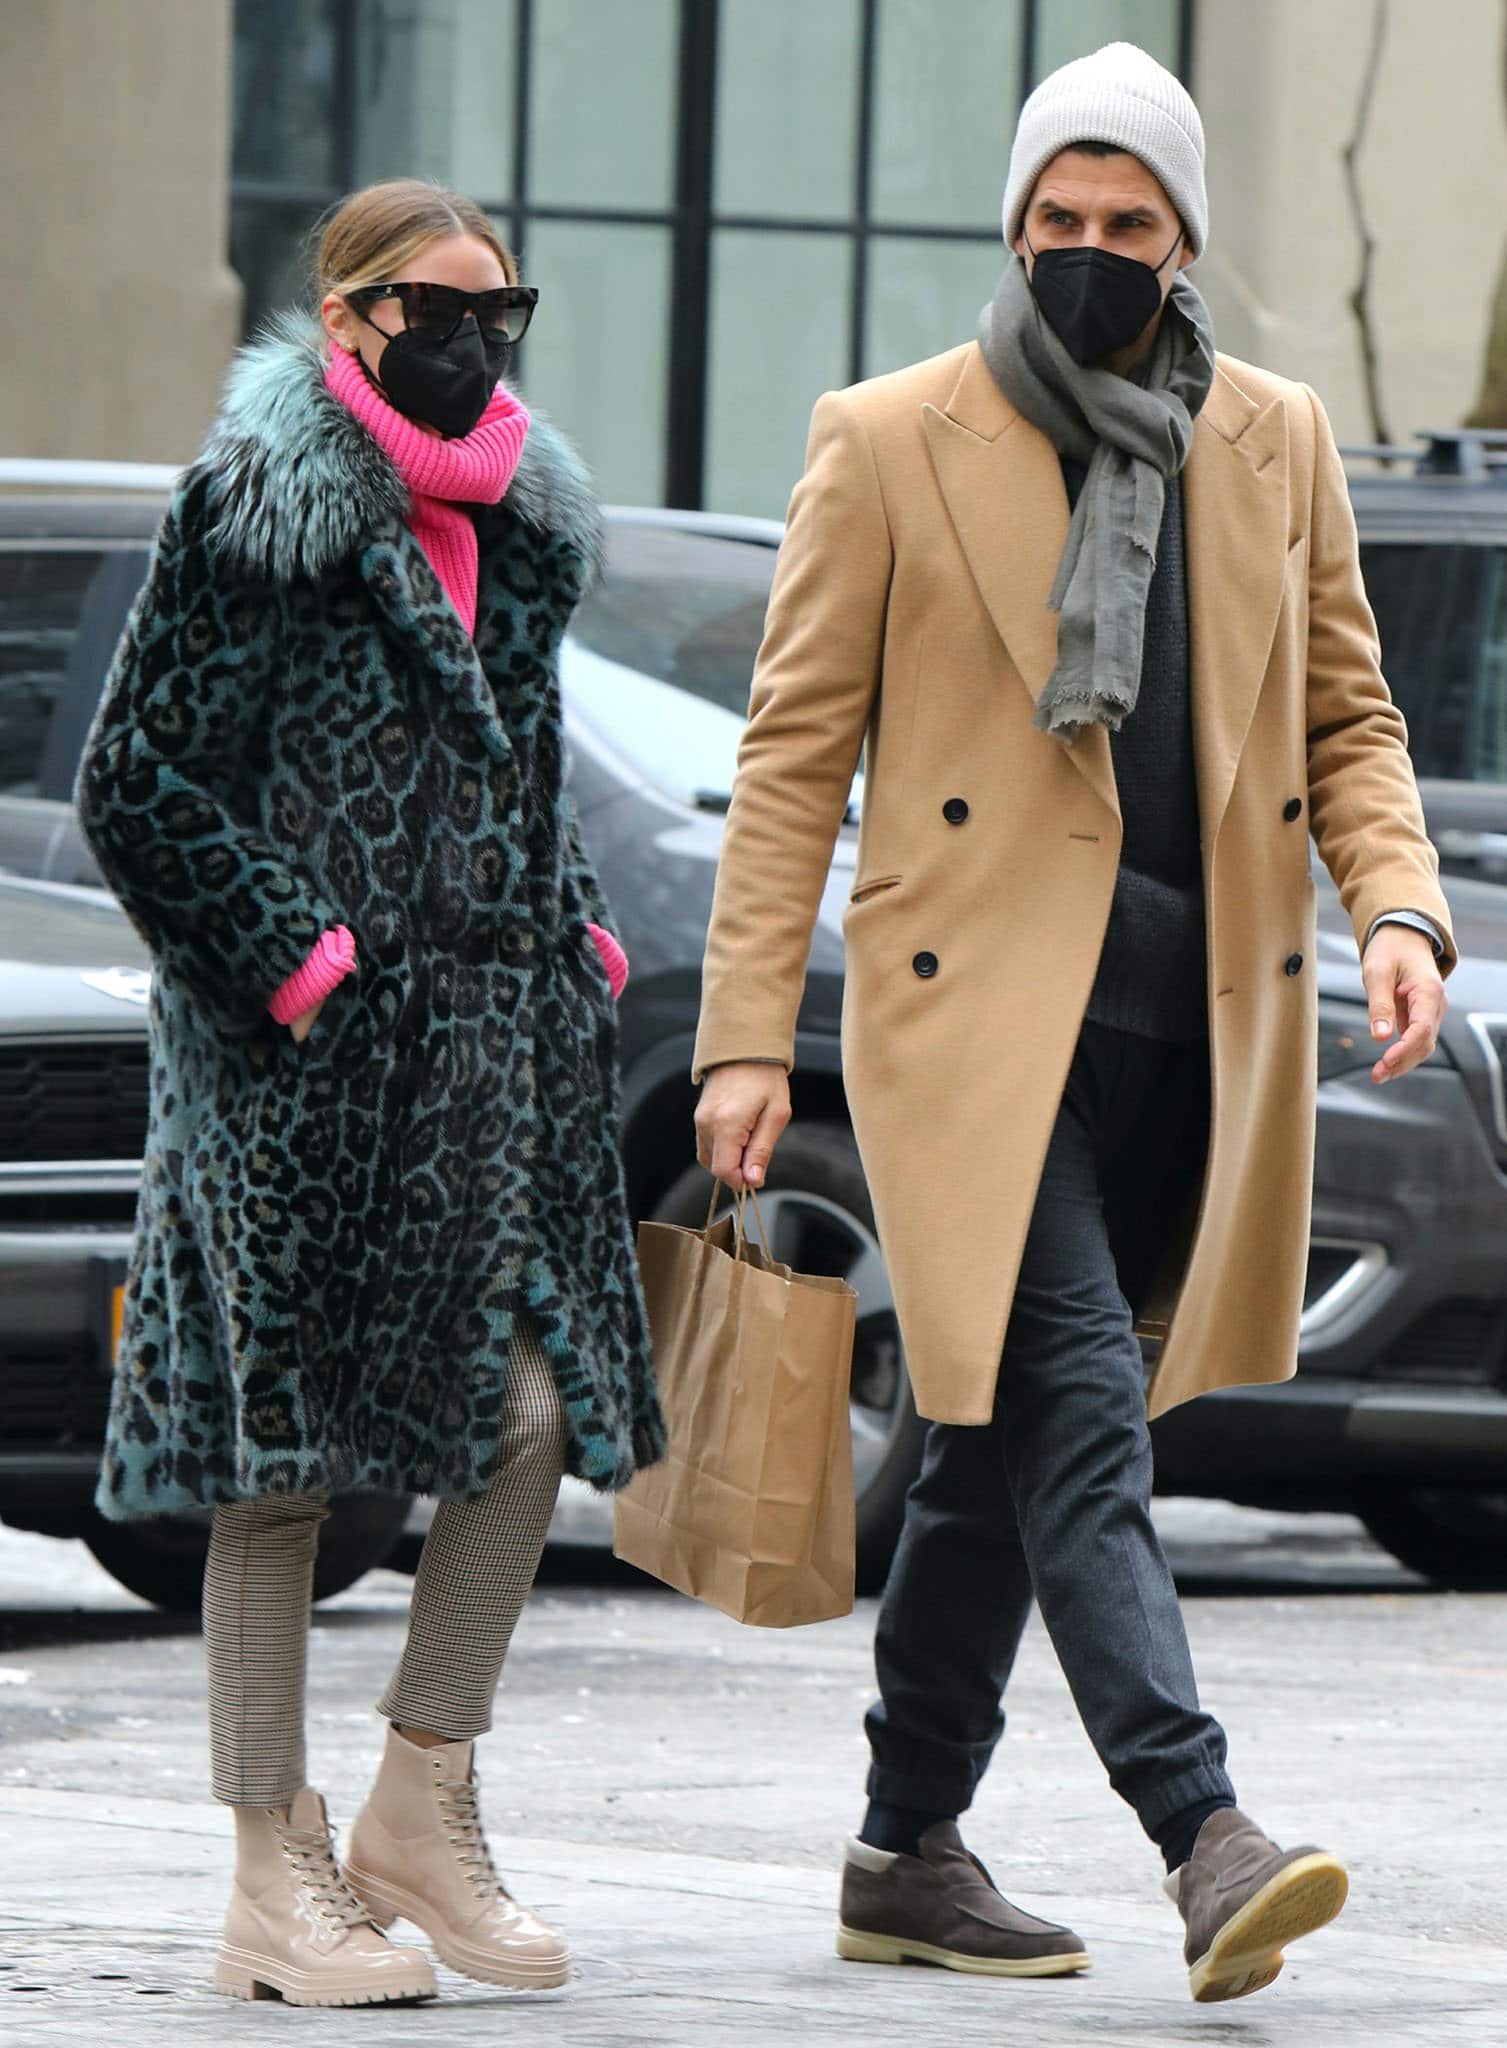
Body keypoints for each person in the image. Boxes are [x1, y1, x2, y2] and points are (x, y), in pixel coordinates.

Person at [692, 43, 1455, 2008]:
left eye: (1126, 226)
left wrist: (1397, 909)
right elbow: (790, 759)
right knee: (1081, 1414)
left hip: (1185, 1035)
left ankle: (901, 1848)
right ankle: (1202, 1829)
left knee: (991, 1449)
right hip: (967, 1037)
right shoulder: (888, 436)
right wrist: (745, 1036)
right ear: (1010, 225)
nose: (1088, 255)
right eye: (1056, 222)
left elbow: (1345, 719)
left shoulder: (1272, 441)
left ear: (1185, 237)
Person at [75, 176, 663, 2009]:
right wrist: (298, 964)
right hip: (293, 1082)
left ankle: (421, 1796)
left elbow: (517, 779)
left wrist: (571, 920)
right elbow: (137, 781)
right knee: (282, 1471)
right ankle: (271, 1873)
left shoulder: (525, 528)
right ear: (349, 321)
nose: (476, 334)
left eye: (503, 303)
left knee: (535, 1409)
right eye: (438, 302)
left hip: (488, 1071)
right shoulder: (253, 511)